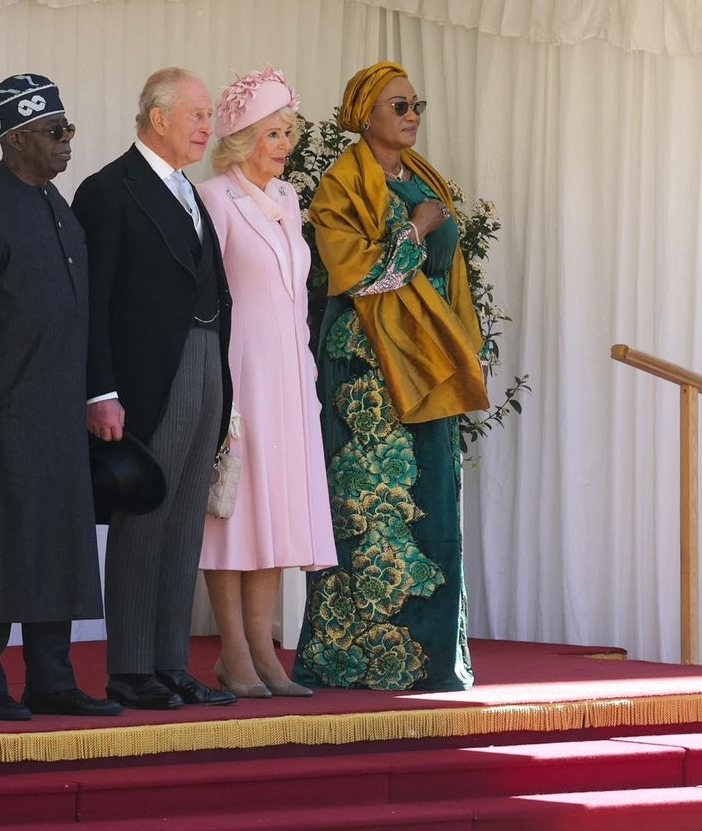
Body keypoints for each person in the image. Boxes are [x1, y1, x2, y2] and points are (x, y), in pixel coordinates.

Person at [292, 61, 490, 692]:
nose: (411, 117)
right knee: (371, 507)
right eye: (399, 106)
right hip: (368, 366)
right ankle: (354, 658)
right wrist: (418, 227)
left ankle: (432, 658)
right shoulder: (341, 185)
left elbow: (451, 276)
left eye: (415, 105)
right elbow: (357, 276)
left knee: (433, 497)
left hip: (429, 358)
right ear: (366, 114)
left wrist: (465, 345)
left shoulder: (424, 176)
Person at [0, 73, 122, 721]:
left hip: (57, 414)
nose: (67, 140)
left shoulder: (55, 202)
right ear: (15, 139)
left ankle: (52, 682)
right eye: (54, 131)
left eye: (68, 128)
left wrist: (94, 395)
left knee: (57, 544)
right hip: (0, 413)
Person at [72, 68, 237, 710]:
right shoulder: (107, 190)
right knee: (145, 516)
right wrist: (99, 392)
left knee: (186, 520)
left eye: (209, 116)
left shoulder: (190, 191)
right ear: (158, 117)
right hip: (148, 376)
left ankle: (170, 663)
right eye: (197, 114)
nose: (207, 127)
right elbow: (91, 303)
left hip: (205, 361)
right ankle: (131, 668)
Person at [197, 67, 337, 698]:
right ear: (243, 137)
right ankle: (235, 653)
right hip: (240, 371)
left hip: (289, 375)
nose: (286, 144)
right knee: (234, 512)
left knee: (274, 512)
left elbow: (294, 294)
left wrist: (306, 366)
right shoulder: (214, 198)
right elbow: (207, 298)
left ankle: (265, 655)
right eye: (274, 132)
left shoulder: (287, 198)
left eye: (289, 132)